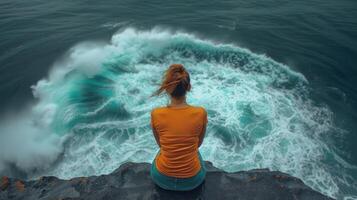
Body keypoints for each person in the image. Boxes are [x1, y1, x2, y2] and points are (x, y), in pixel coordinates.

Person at [149, 63, 208, 191]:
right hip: (192, 181)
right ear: (188, 87)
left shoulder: (156, 113)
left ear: (167, 88)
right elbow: (198, 144)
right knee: (195, 151)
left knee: (163, 151)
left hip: (161, 178)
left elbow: (161, 145)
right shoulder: (201, 113)